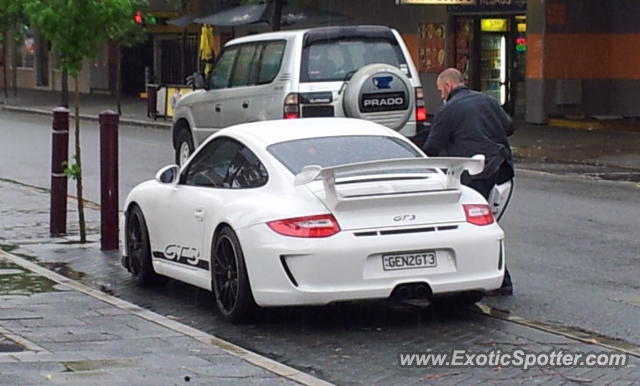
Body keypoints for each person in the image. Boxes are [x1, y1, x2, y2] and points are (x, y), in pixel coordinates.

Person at [423, 68, 515, 296]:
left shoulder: (448, 110)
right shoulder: (487, 100)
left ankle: (497, 280)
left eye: (439, 90)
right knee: (486, 223)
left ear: (447, 86)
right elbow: (509, 127)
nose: (440, 94)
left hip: (475, 176)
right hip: (501, 170)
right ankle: (498, 279)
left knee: (475, 226)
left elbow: (431, 147)